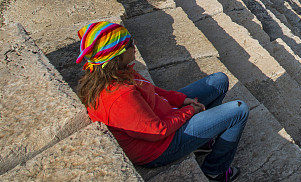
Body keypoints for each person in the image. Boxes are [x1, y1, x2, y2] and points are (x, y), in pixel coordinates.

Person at [76, 21, 248, 181]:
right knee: (239, 110)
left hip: (163, 113)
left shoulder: (117, 72)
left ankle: (202, 142)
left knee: (219, 80)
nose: (134, 47)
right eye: (129, 45)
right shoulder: (119, 96)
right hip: (160, 147)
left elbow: (154, 91)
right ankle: (215, 170)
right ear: (117, 56)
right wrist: (189, 111)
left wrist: (182, 99)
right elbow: (156, 131)